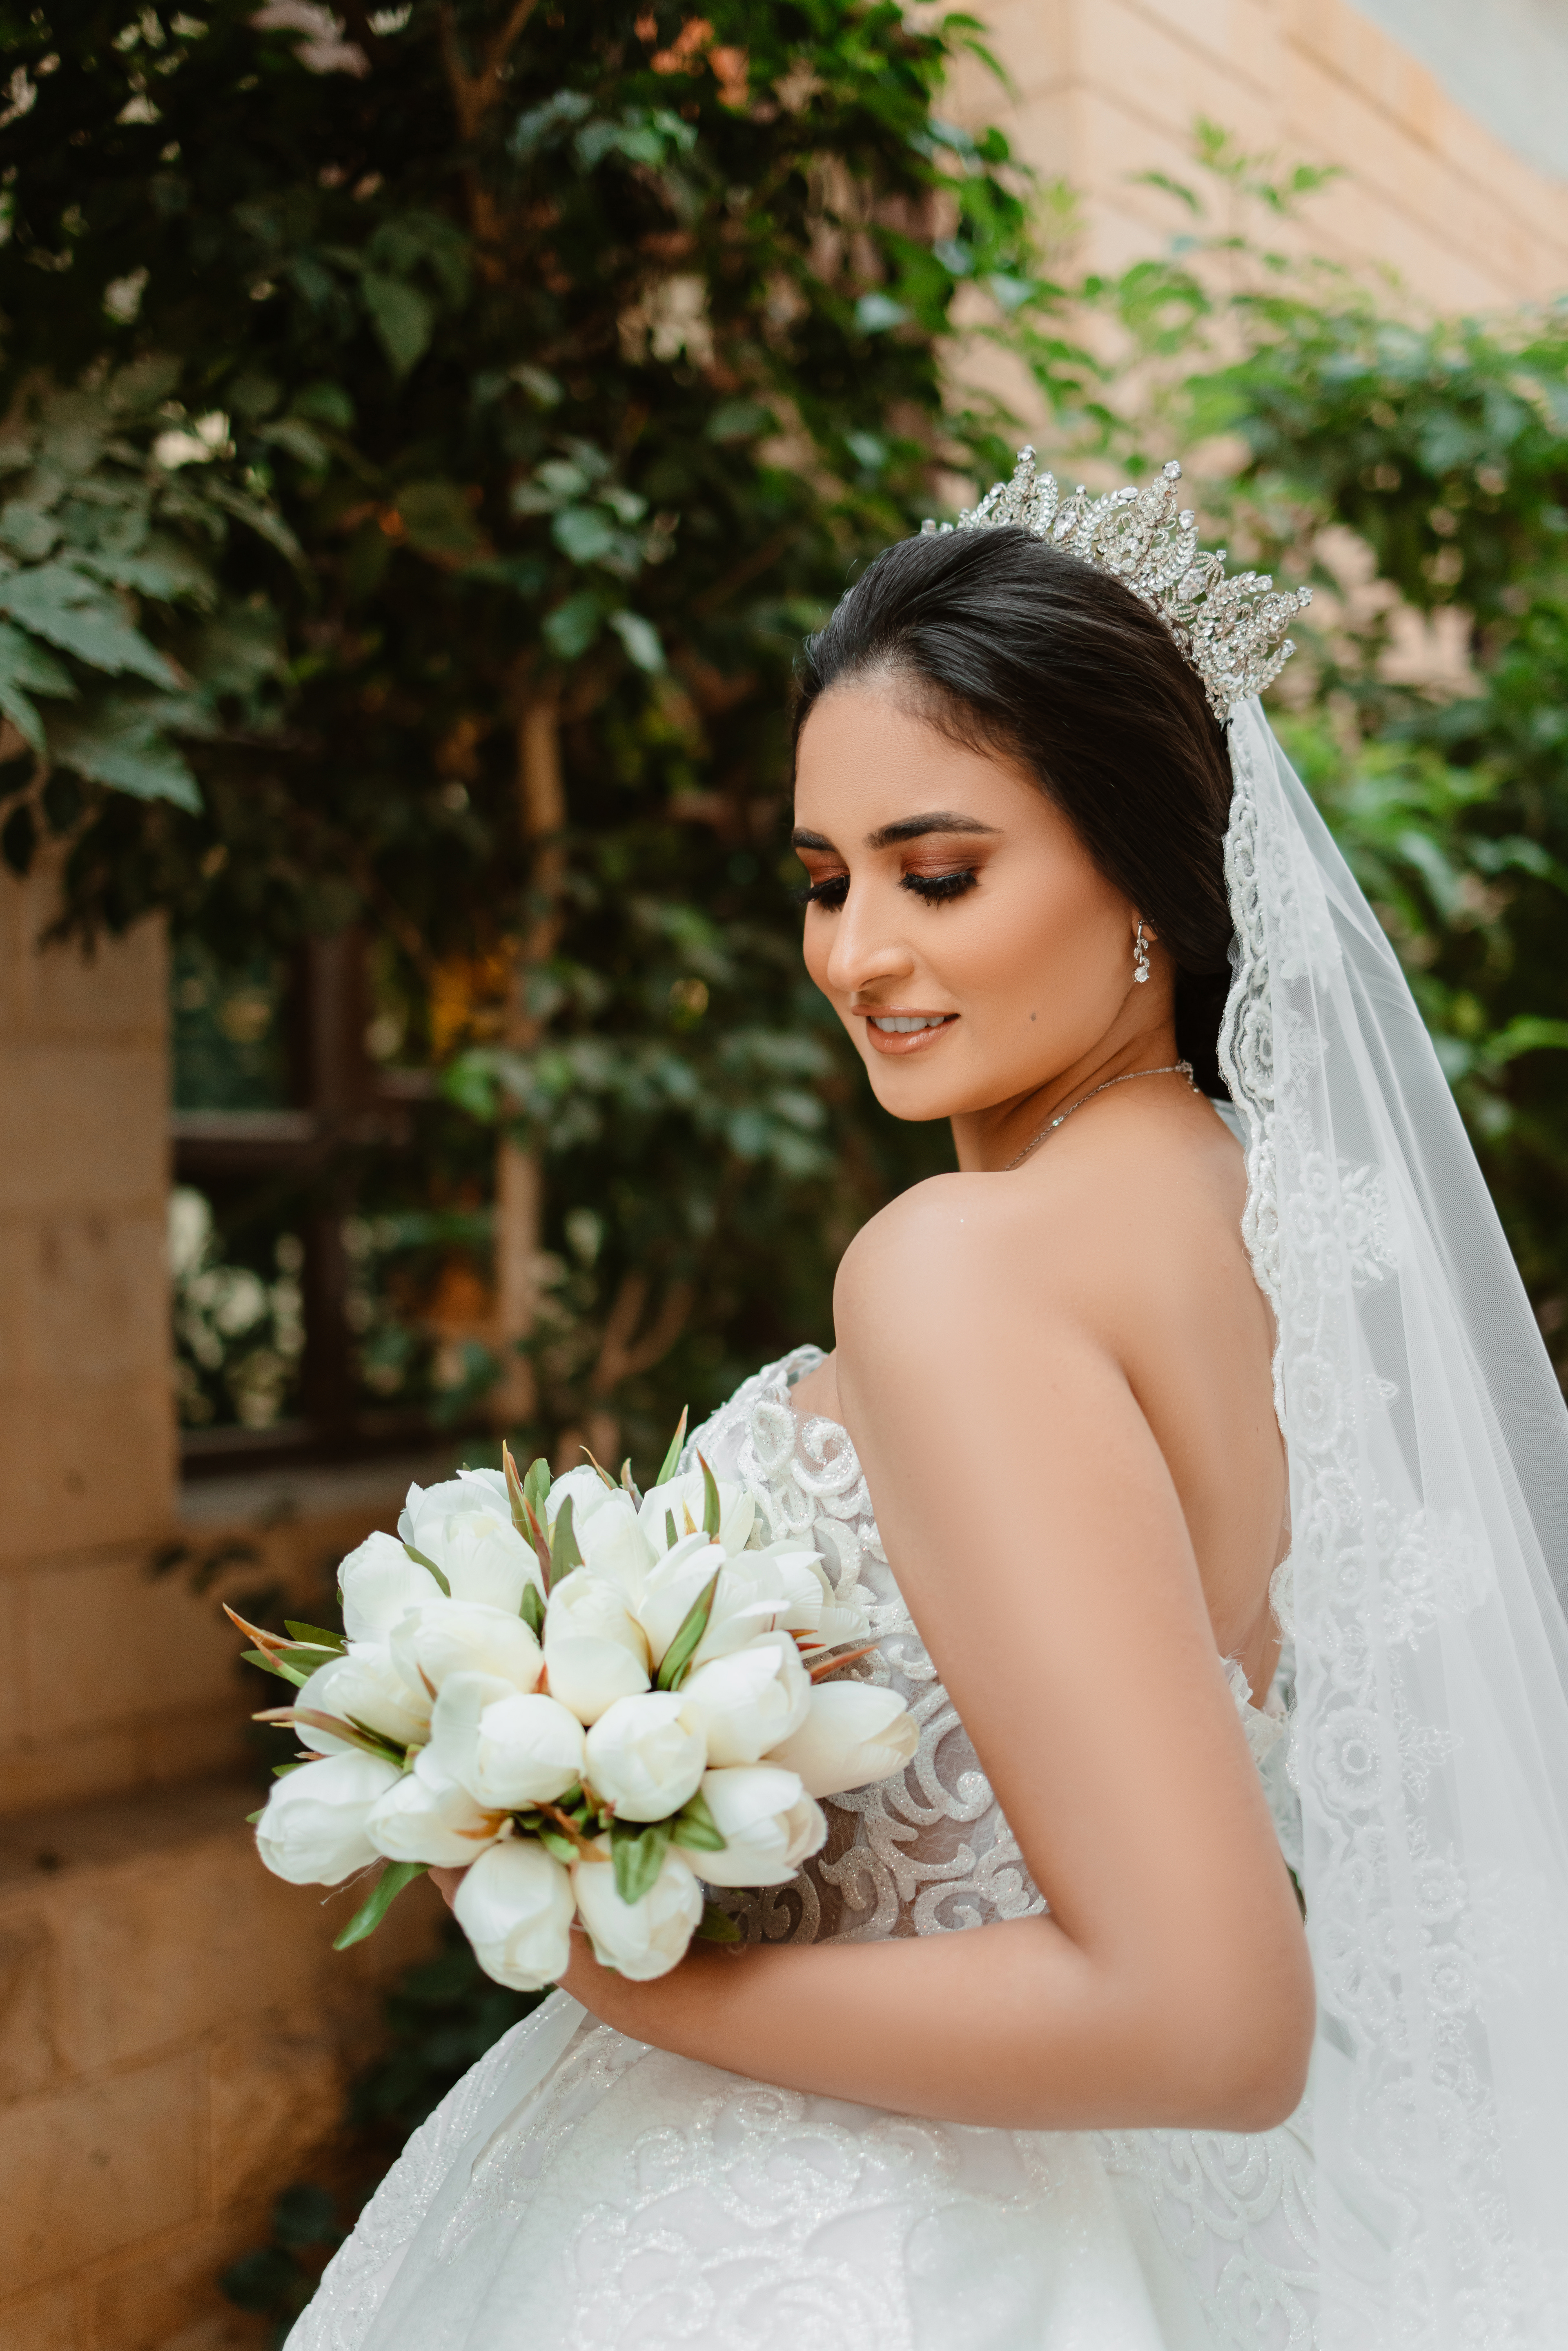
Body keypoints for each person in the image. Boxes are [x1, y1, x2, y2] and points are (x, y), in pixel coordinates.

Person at [288, 457, 1568, 2351]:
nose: (856, 955)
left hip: (846, 2241)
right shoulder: (1270, 1229)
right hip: (1114, 2229)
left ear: (1145, 863)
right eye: (826, 882)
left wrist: (631, 1973)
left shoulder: (964, 1264)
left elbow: (1212, 2021)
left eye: (940, 874)